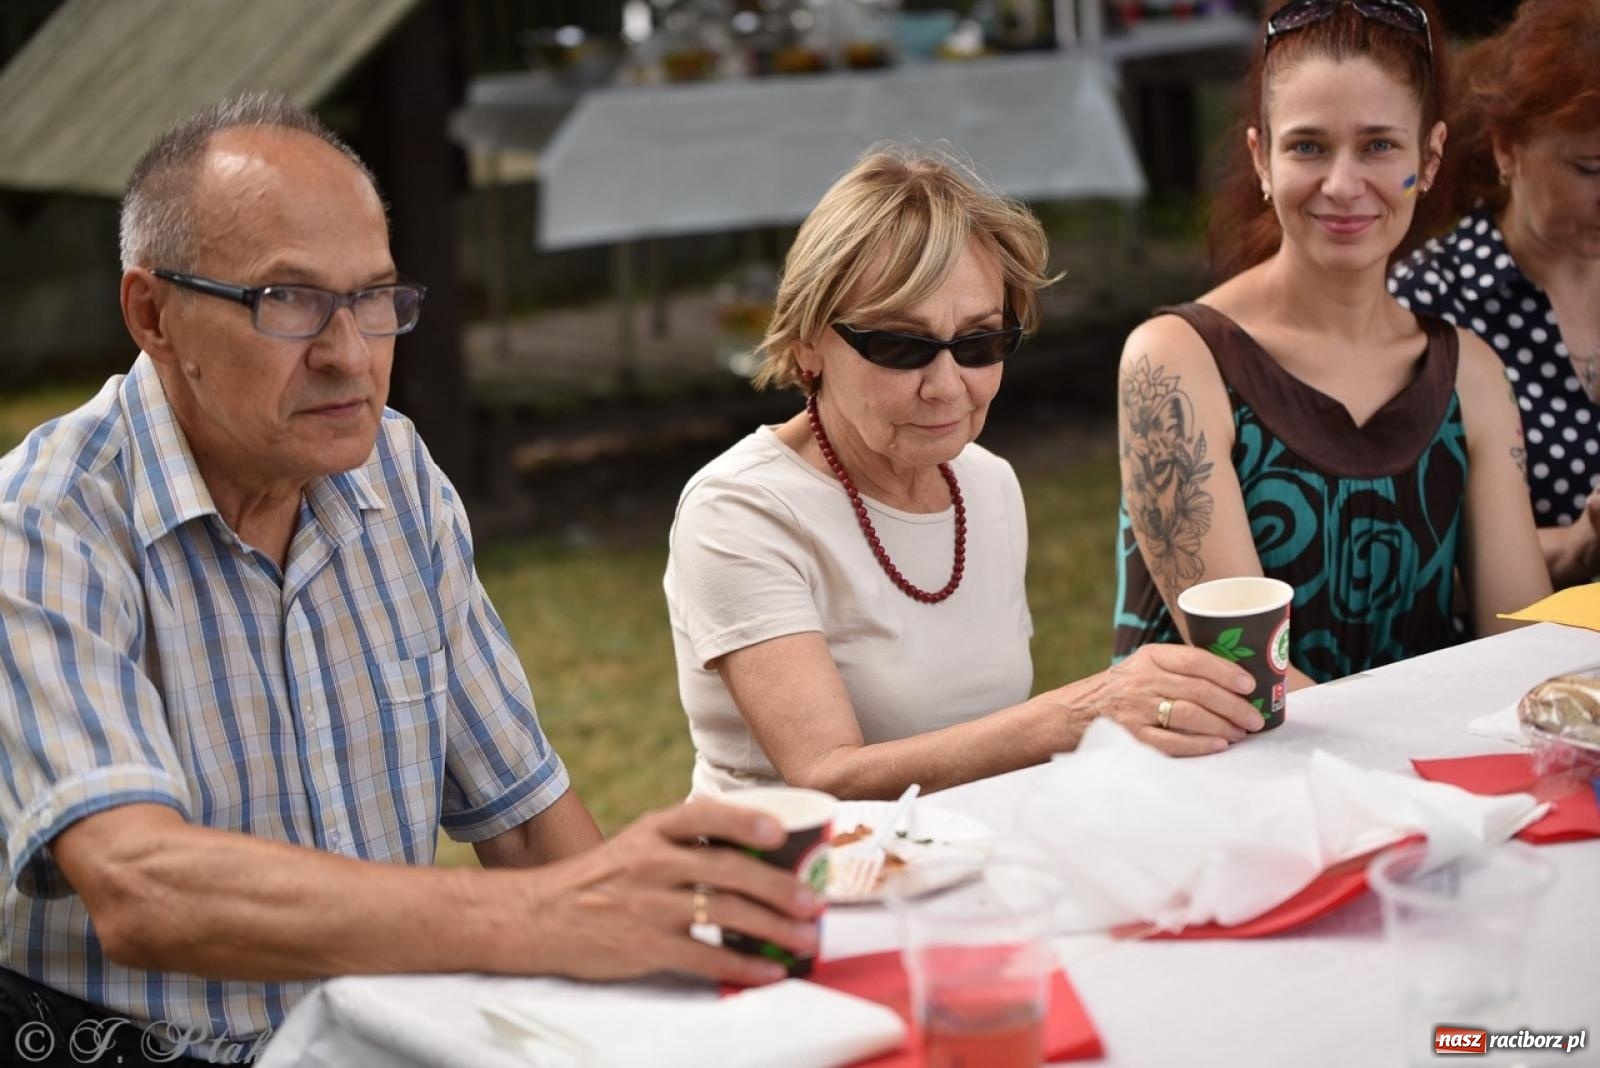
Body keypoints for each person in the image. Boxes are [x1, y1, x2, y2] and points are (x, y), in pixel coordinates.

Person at [0, 93, 817, 1067]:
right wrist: (548, 918)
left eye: (375, 298)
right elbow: (141, 888)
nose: (350, 355)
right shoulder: (42, 527)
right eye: (288, 300)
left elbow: (524, 826)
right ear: (153, 315)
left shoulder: (393, 470)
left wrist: (668, 983)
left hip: (375, 1039)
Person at [664, 147, 1267, 802]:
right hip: (792, 862)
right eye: (901, 346)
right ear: (807, 344)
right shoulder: (738, 511)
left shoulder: (987, 484)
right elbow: (824, 773)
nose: (948, 387)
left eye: (980, 342)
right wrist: (1081, 714)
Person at [1112, 0, 1551, 687]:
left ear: (1430, 158)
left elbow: (1521, 646)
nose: (1344, 186)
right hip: (1225, 752)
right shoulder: (1177, 359)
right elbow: (1249, 674)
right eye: (1308, 147)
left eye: (1379, 146)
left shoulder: (1470, 372)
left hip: (1429, 754)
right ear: (1260, 160)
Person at [1389, 0, 1600, 588]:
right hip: (1510, 639)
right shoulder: (1431, 299)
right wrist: (1578, 546)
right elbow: (1401, 560)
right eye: (1590, 170)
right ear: (1507, 148)